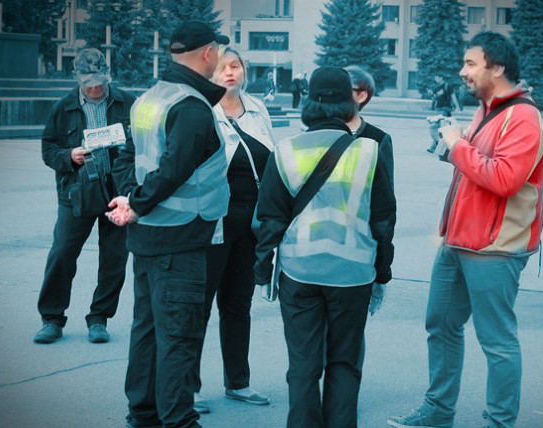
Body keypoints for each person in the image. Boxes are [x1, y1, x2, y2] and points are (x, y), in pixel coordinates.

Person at [388, 31, 543, 428]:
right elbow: (478, 167)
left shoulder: (524, 117)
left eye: (471, 64)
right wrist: (449, 146)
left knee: (497, 341)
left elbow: (505, 179)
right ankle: (438, 411)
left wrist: (458, 145)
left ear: (497, 67)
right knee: (440, 325)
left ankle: (498, 422)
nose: (463, 72)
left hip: (494, 248)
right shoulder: (487, 111)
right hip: (457, 241)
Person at [253, 66, 396, 428]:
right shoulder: (369, 150)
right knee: (345, 364)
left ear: (307, 101)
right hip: (353, 271)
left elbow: (269, 219)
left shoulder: (284, 150)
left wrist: (262, 271)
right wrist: (382, 272)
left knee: (302, 365)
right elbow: (383, 220)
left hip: (299, 270)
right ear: (350, 102)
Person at [107, 20, 230, 428]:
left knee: (148, 330)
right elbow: (175, 169)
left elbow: (127, 156)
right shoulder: (191, 106)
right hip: (181, 238)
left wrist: (130, 200)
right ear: (209, 54)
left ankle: (143, 414)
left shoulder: (150, 98)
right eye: (220, 52)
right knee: (178, 334)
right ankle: (179, 420)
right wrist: (137, 203)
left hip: (148, 236)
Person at [192, 46, 274, 414]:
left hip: (251, 222)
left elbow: (271, 164)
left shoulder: (257, 109)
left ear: (244, 70)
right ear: (210, 73)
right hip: (214, 220)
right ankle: (187, 386)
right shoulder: (201, 111)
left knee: (238, 305)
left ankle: (238, 382)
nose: (229, 72)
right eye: (222, 67)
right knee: (200, 304)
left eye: (236, 65)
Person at [34, 48, 133, 345]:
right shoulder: (63, 107)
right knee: (63, 252)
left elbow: (143, 143)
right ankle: (52, 318)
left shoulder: (127, 103)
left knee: (114, 258)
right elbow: (48, 149)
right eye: (89, 82)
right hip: (76, 191)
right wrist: (69, 155)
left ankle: (99, 318)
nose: (95, 88)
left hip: (117, 190)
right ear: (77, 77)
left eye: (100, 81)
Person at [344, 65, 394, 184]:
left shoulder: (379, 140)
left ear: (361, 96)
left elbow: (385, 196)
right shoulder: (319, 132)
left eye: (343, 89)